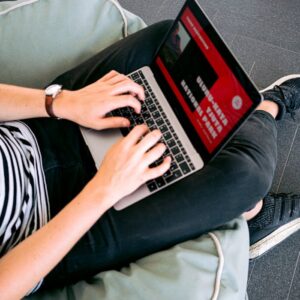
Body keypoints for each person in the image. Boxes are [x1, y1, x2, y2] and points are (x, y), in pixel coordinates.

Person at [0, 20, 299, 299]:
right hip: (52, 227)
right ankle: (265, 111)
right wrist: (102, 190)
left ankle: (238, 197)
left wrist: (60, 103)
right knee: (247, 173)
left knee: (171, 40)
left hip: (35, 129)